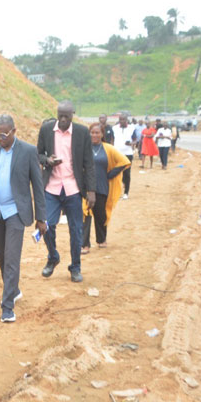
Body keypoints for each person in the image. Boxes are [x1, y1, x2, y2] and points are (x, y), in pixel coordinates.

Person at [0, 114, 47, 323]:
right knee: (2, 257)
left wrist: (41, 217)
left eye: (3, 134)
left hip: (16, 212)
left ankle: (7, 306)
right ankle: (14, 289)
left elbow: (37, 185)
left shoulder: (27, 151)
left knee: (12, 258)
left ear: (14, 131)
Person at [37, 100, 95, 283]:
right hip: (52, 187)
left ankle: (75, 267)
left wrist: (91, 190)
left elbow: (89, 163)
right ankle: (53, 257)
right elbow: (37, 154)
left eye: (66, 116)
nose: (62, 120)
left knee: (76, 229)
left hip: (73, 187)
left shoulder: (82, 132)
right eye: (60, 115)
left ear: (72, 115)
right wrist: (47, 160)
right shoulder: (46, 130)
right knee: (47, 225)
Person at [81, 122, 131, 253]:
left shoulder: (108, 148)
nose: (94, 135)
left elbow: (124, 161)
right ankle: (84, 244)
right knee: (85, 214)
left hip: (102, 186)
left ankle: (101, 239)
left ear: (102, 134)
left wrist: (110, 175)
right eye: (92, 132)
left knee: (100, 215)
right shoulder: (83, 148)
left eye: (97, 132)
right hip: (86, 187)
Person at [112, 113, 136, 200]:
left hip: (128, 154)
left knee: (127, 173)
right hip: (117, 154)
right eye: (120, 119)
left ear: (127, 120)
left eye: (123, 119)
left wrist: (131, 143)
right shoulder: (114, 128)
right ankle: (118, 191)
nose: (122, 121)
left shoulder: (131, 128)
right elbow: (112, 140)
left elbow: (135, 140)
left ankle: (126, 192)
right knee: (117, 173)